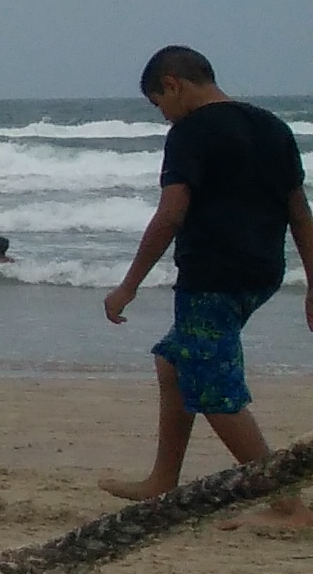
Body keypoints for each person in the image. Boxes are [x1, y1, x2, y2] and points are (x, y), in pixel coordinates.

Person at [98, 45, 311, 525]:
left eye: (159, 105)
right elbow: (299, 213)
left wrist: (129, 284)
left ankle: (289, 505)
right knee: (174, 360)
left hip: (213, 275)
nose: (164, 117)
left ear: (172, 84)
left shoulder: (190, 134)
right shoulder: (272, 127)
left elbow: (171, 213)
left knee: (215, 389)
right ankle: (162, 480)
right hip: (261, 273)